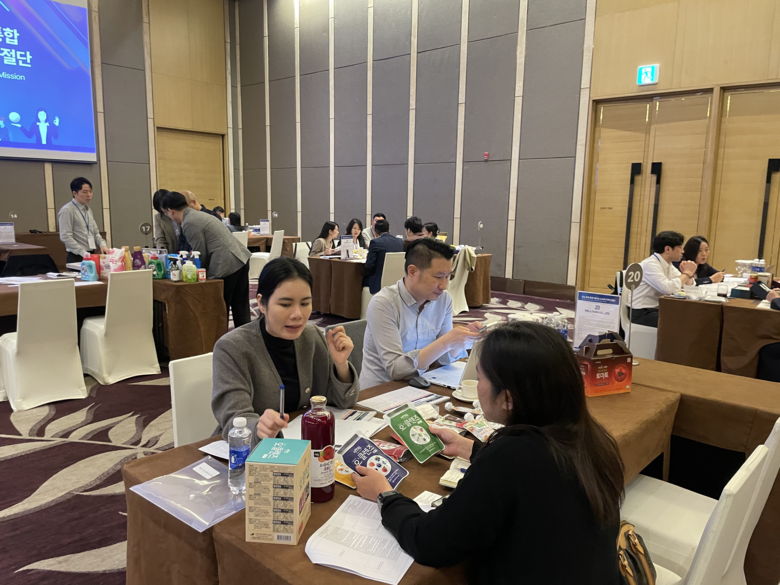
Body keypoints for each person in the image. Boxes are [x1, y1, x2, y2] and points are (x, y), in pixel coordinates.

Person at [352, 322, 624, 585]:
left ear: (508, 398)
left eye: (480, 377)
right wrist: (471, 448)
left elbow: (431, 543)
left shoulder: (510, 456)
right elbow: (536, 473)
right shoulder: (593, 439)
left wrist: (385, 496)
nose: (478, 386)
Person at [211, 257, 359, 446]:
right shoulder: (232, 348)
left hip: (304, 445)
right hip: (249, 452)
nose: (297, 314)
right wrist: (259, 428)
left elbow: (342, 402)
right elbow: (235, 421)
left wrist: (341, 365)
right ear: (262, 303)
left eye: (305, 304)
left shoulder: (312, 336)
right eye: (285, 304)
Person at [360, 238, 482, 388]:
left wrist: (460, 340)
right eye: (438, 277)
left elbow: (444, 359)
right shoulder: (384, 304)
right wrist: (446, 342)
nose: (444, 285)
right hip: (381, 390)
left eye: (447, 277)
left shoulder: (444, 300)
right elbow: (396, 370)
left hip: (422, 385)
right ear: (412, 271)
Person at [162, 191, 253, 327]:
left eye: (166, 213)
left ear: (170, 211)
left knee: (220, 309)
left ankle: (219, 338)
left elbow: (199, 254)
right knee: (241, 308)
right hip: (240, 258)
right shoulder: (198, 215)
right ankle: (246, 336)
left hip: (226, 265)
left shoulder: (189, 222)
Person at [629, 230, 698, 328]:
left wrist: (688, 275)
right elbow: (667, 289)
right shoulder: (650, 264)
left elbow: (688, 286)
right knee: (683, 321)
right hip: (641, 312)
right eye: (680, 247)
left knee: (690, 316)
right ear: (667, 249)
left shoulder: (668, 264)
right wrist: (687, 273)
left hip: (656, 308)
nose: (683, 251)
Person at [58, 177, 109, 263]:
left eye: (90, 191)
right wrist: (83, 252)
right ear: (75, 193)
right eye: (85, 192)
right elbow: (65, 236)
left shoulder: (87, 209)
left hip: (90, 253)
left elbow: (95, 232)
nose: (89, 195)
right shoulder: (67, 210)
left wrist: (103, 245)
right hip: (77, 256)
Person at [362, 218, 403, 294]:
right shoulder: (400, 242)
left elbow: (369, 266)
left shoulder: (375, 242)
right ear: (389, 230)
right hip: (397, 282)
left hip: (378, 283)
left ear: (376, 233)